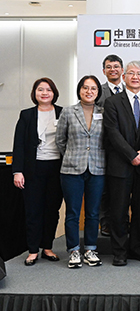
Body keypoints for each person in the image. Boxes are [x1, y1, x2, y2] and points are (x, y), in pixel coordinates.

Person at [103, 61, 140, 266]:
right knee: (118, 210)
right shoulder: (112, 102)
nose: (135, 77)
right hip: (120, 164)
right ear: (124, 76)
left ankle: (138, 248)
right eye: (131, 73)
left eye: (139, 74)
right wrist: (131, 154)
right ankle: (119, 251)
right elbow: (112, 133)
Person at [55, 75, 106, 269]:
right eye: (85, 88)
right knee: (73, 213)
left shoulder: (104, 111)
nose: (89, 91)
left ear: (98, 92)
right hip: (71, 169)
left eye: (93, 88)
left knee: (93, 213)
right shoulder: (68, 112)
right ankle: (74, 250)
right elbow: (60, 140)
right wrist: (72, 155)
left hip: (97, 168)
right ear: (79, 90)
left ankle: (90, 249)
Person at [12, 78, 63, 266]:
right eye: (40, 89)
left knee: (52, 210)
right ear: (34, 93)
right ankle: (33, 250)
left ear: (54, 93)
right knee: (33, 210)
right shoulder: (27, 115)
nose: (44, 93)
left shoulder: (62, 113)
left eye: (48, 89)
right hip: (33, 169)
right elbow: (19, 145)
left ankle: (47, 247)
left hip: (57, 168)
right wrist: (17, 171)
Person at [97, 54, 124, 237]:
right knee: (105, 187)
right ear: (104, 71)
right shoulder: (99, 91)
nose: (113, 69)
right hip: (105, 145)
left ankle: (124, 222)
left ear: (122, 69)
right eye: (109, 66)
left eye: (116, 66)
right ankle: (105, 222)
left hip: (129, 147)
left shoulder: (131, 89)